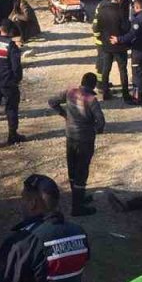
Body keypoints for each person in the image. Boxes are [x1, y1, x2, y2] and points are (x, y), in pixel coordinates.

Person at [48, 74, 107, 217]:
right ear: (93, 86)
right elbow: (101, 120)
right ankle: (77, 207)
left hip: (70, 136)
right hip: (85, 140)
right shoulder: (91, 100)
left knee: (73, 169)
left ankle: (77, 197)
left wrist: (65, 115)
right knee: (82, 171)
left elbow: (52, 101)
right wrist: (97, 129)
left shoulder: (70, 92)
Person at [92, 0, 134, 104]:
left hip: (106, 45)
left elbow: (97, 27)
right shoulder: (121, 12)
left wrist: (102, 39)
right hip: (119, 45)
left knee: (106, 69)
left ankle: (105, 92)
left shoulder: (101, 10)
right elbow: (126, 28)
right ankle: (125, 94)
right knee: (122, 70)